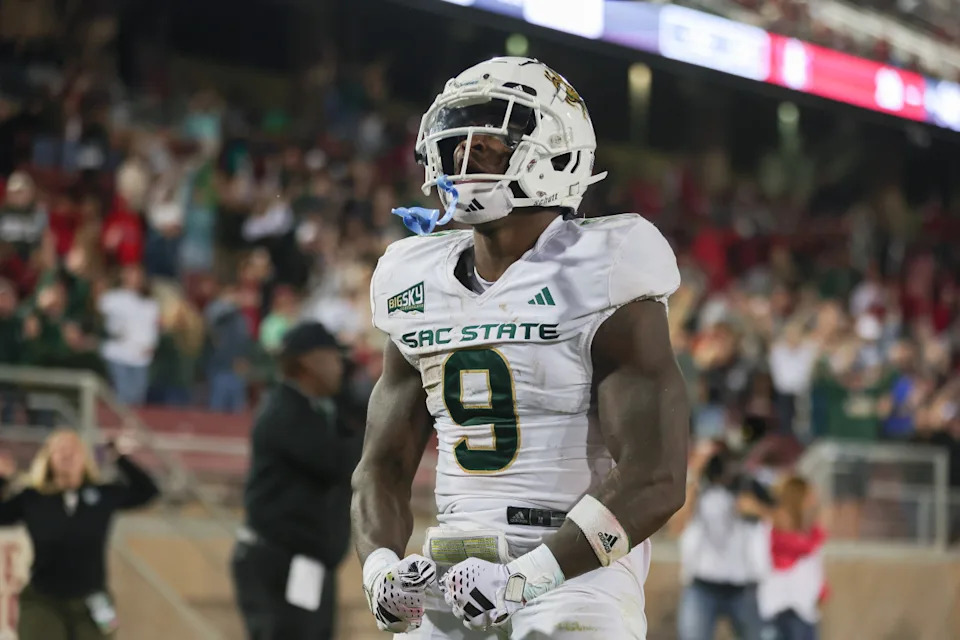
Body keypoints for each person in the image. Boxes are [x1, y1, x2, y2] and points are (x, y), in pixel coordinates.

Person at [351, 57, 690, 639]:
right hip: (451, 569)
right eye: (456, 144)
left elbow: (656, 477)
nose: (463, 159)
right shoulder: (413, 278)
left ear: (556, 154)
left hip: (575, 569)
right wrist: (381, 568)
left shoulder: (606, 266)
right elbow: (380, 466)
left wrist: (524, 578)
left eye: (488, 143)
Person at [231, 322, 364, 640]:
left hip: (306, 563)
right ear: (308, 361)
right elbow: (344, 461)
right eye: (333, 356)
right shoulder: (286, 411)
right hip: (281, 562)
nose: (340, 366)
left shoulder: (317, 409)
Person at [0, 428, 159, 640]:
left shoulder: (103, 494)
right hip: (43, 599)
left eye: (73, 449)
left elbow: (148, 491)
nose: (67, 454)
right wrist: (3, 479)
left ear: (85, 457)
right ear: (48, 458)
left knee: (107, 631)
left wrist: (117, 457)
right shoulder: (32, 498)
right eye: (60, 450)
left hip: (94, 598)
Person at [673, 443, 773, 640]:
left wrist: (755, 508)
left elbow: (779, 516)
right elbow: (677, 527)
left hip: (743, 587)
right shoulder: (698, 492)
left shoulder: (749, 486)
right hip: (702, 585)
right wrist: (695, 473)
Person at [759, 476, 826, 640]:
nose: (814, 502)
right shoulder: (771, 529)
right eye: (809, 497)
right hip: (779, 609)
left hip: (806, 611)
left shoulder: (811, 534)